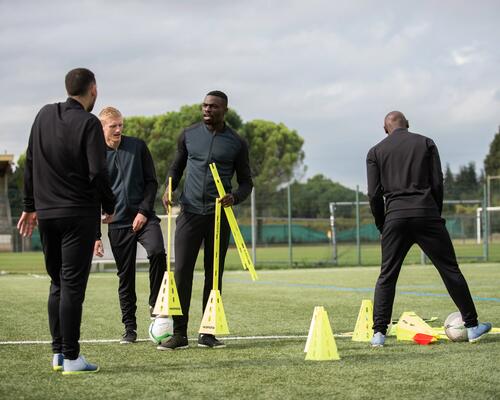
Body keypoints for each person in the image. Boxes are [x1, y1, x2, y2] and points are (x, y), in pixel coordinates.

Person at [17, 68, 115, 373]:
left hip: (46, 215)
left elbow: (30, 161)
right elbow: (97, 172)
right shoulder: (88, 123)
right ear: (94, 90)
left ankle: (58, 353)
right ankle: (72, 358)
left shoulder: (43, 115)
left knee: (57, 282)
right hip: (77, 216)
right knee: (72, 286)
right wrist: (109, 205)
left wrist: (29, 206)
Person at [366, 111, 492, 347]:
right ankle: (472, 326)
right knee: (450, 270)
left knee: (387, 276)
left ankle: (379, 334)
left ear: (385, 129)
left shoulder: (375, 151)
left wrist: (382, 223)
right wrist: (435, 212)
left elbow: (374, 194)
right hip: (427, 214)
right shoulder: (426, 142)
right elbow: (437, 182)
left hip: (395, 218)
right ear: (408, 125)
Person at [157, 90, 253, 350]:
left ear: (225, 110)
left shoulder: (237, 142)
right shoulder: (188, 135)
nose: (207, 109)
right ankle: (179, 334)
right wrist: (169, 188)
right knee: (182, 273)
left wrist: (234, 197)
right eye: (205, 105)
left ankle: (207, 333)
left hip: (219, 217)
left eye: (213, 106)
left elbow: (247, 183)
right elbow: (176, 168)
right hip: (189, 213)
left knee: (214, 276)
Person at [94, 106, 166, 344]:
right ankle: (130, 328)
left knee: (157, 252)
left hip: (144, 217)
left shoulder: (137, 146)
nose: (118, 130)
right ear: (101, 128)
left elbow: (151, 182)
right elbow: (92, 195)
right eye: (113, 126)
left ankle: (155, 304)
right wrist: (97, 231)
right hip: (118, 224)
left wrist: (144, 212)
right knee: (126, 277)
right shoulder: (94, 156)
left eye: (120, 125)